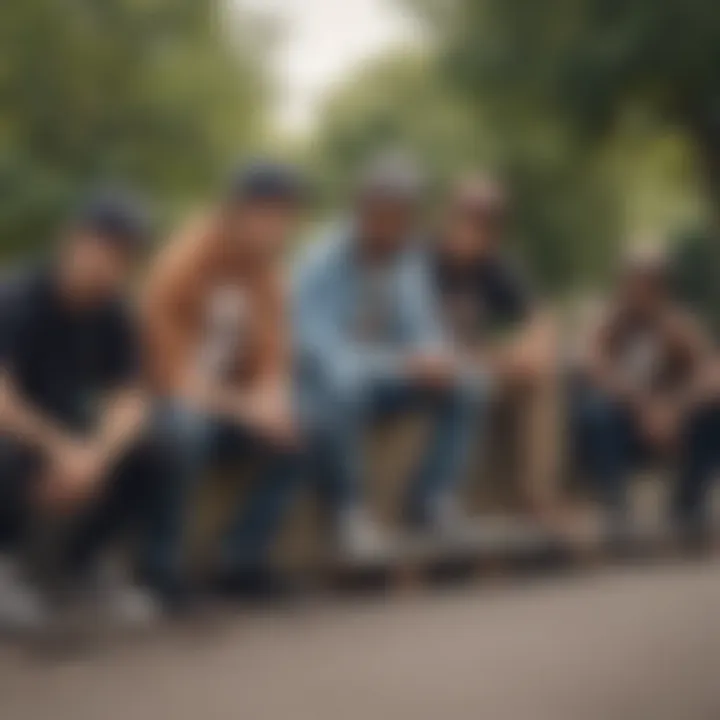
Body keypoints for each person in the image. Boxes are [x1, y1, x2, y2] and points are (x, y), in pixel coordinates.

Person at [294, 155, 485, 557]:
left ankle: (431, 500)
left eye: (402, 217)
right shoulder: (321, 259)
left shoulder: (407, 258)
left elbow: (423, 325)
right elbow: (318, 346)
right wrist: (399, 363)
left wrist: (436, 356)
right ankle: (349, 512)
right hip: (328, 381)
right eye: (383, 215)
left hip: (387, 376)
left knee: (468, 383)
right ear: (362, 210)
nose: (392, 227)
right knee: (340, 390)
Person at [142, 160, 305, 603]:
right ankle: (161, 568)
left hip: (227, 408)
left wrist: (276, 401)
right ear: (236, 211)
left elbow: (275, 355)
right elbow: (167, 374)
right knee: (185, 431)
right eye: (269, 214)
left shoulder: (268, 274)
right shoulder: (181, 263)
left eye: (286, 216)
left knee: (306, 430)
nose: (279, 228)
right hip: (170, 403)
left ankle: (242, 560)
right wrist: (245, 407)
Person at [0, 190, 162, 630]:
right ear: (71, 240)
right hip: (24, 432)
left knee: (153, 450)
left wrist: (96, 456)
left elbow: (130, 401)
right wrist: (62, 451)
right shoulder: (18, 295)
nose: (112, 262)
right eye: (104, 245)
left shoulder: (114, 313)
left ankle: (83, 567)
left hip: (70, 437)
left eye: (125, 253)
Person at [433, 176, 561, 523]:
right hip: (431, 366)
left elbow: (540, 318)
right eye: (469, 217)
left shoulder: (495, 266)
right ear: (449, 216)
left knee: (542, 376)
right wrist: (493, 356)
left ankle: (537, 497)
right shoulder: (422, 260)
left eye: (488, 223)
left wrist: (528, 349)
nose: (476, 230)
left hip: (475, 364)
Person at [573, 245, 716, 538]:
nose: (642, 291)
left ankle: (688, 503)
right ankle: (615, 503)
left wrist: (675, 408)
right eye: (636, 281)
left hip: (669, 426)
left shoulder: (678, 326)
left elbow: (710, 374)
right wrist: (642, 405)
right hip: (624, 425)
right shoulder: (609, 322)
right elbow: (592, 363)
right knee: (595, 411)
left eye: (650, 283)